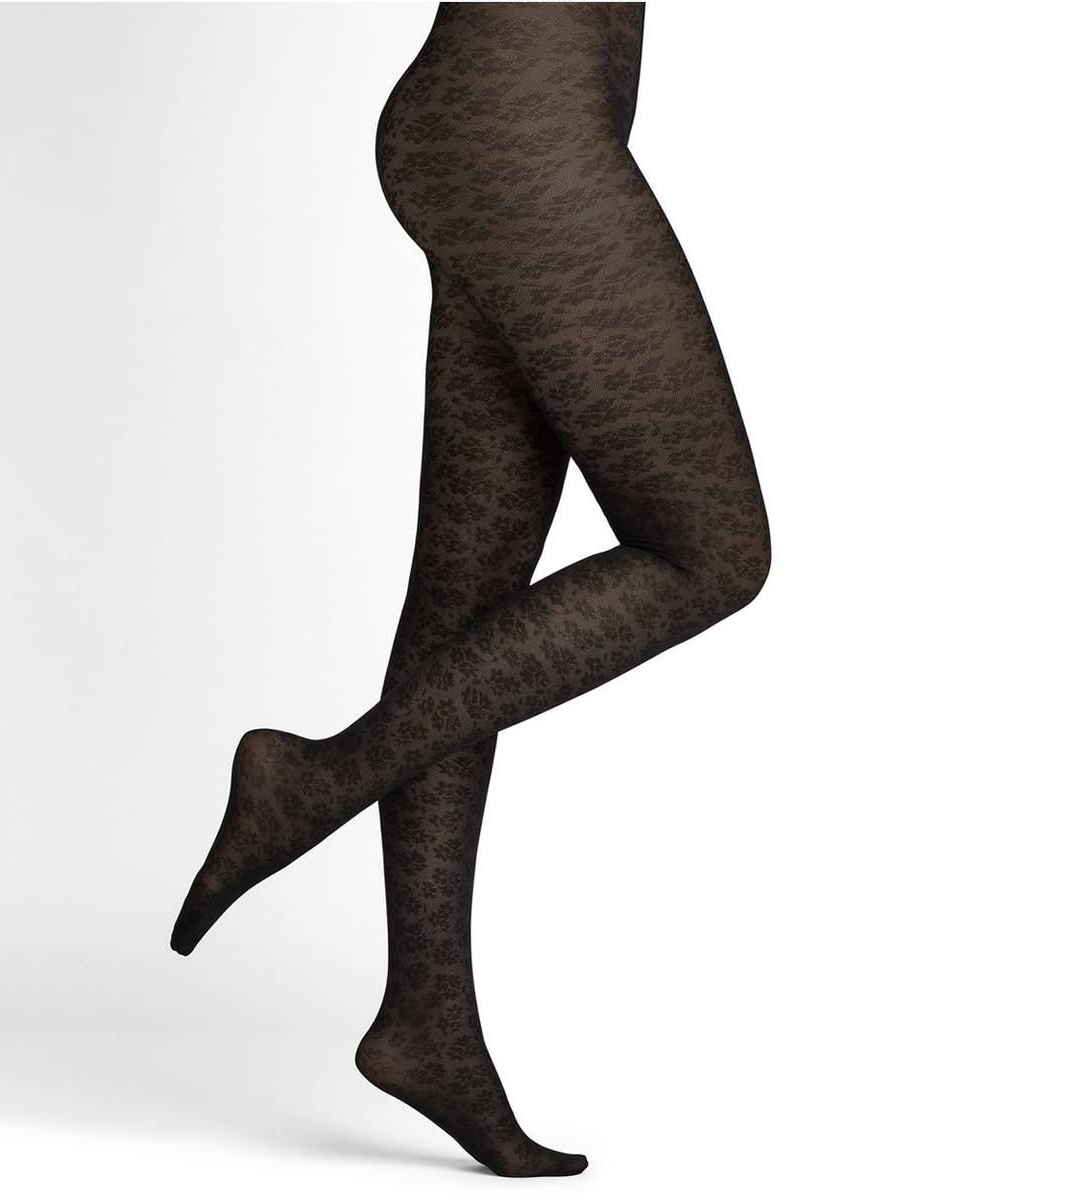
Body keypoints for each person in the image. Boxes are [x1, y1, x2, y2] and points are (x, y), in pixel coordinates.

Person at [171, 2, 770, 1178]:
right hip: (521, 140)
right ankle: (313, 780)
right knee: (710, 554)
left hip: (515, 129)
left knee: (467, 613)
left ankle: (427, 1021)